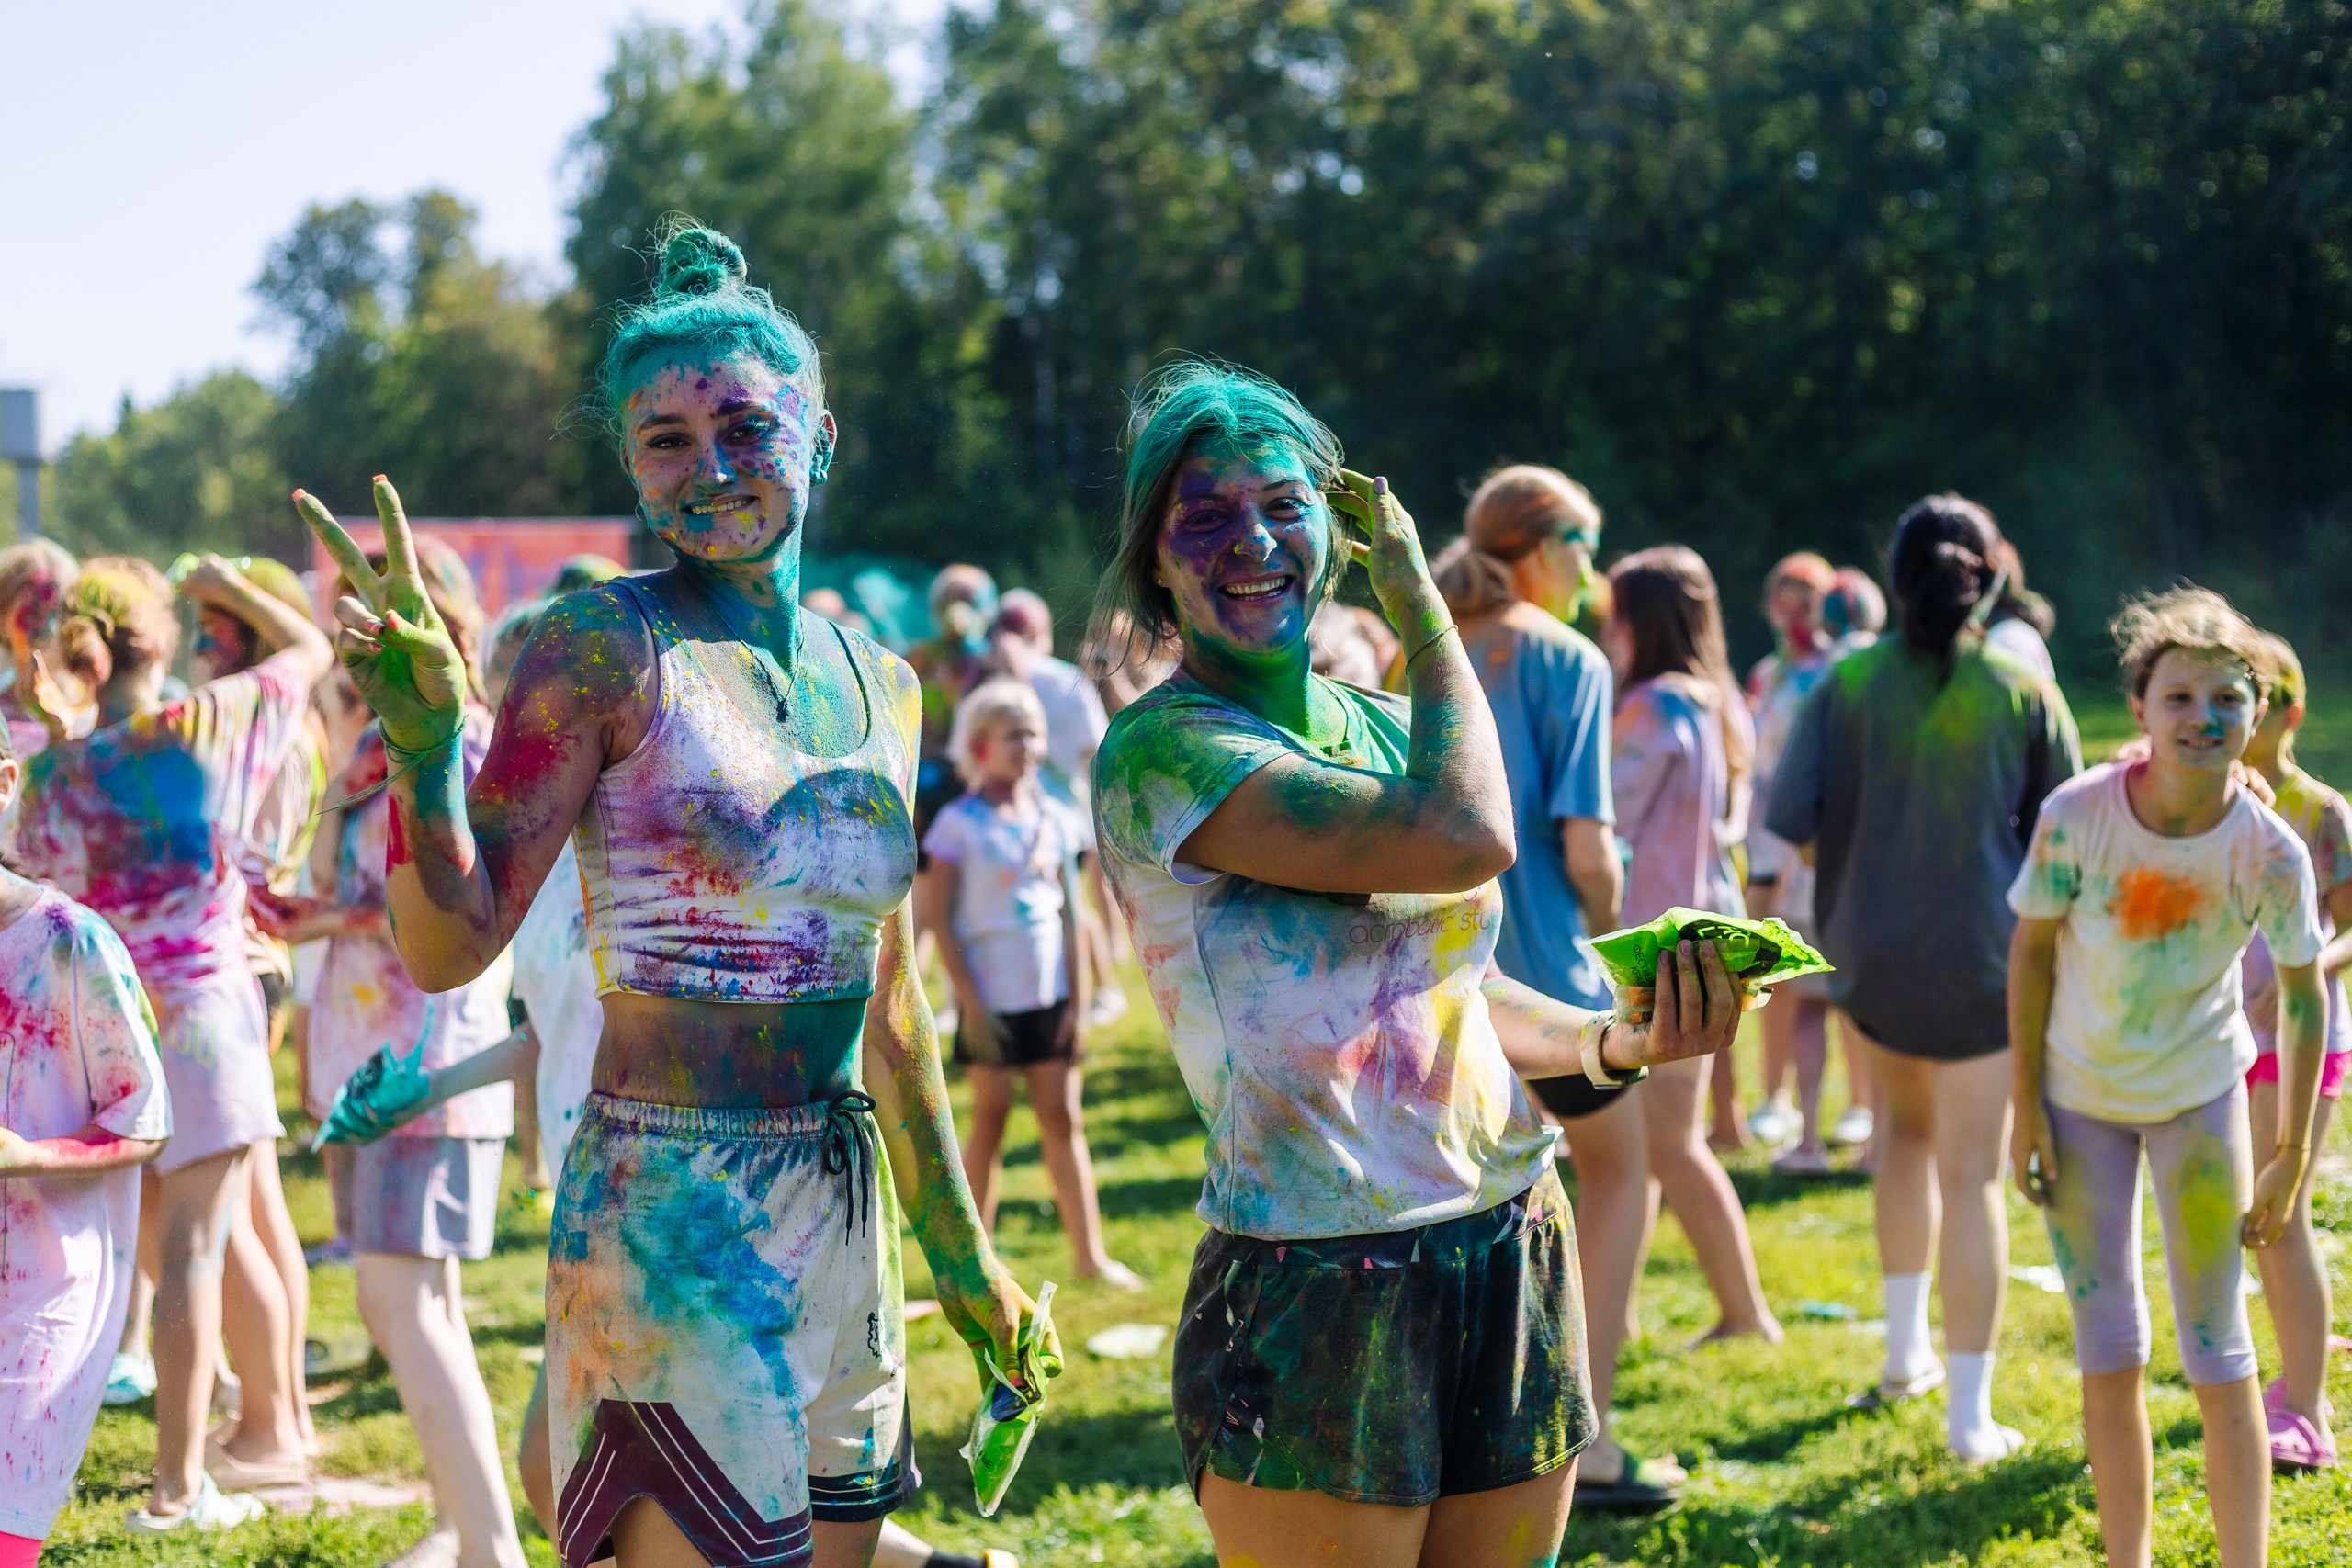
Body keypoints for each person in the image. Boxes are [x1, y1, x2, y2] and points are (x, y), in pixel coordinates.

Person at [297, 220, 1046, 1568]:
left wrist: (964, 1250)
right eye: (665, 440)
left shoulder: (887, 679)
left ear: (821, 435)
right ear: (634, 470)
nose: (711, 467)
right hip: (669, 1209)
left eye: (748, 426)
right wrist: (420, 750)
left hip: (842, 1195)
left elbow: (895, 999)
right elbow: (455, 942)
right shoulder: (602, 647)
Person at [1090, 362, 1747, 1566]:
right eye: (1208, 514)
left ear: (1327, 530)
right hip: (1316, 1276)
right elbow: (1469, 838)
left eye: (1283, 504)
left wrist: (1616, 1040)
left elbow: (1455, 995)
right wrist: (1429, 609)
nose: (1252, 540)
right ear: (1157, 563)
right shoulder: (1165, 752)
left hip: (1509, 1233)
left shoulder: (1383, 726)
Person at [2008, 587, 2323, 1568]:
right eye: (2178, 697)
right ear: (2139, 708)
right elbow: (2029, 959)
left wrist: (2287, 1155)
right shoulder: (2077, 817)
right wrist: (2026, 1112)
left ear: (2260, 711)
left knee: (2220, 1355)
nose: (2202, 718)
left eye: (2226, 698)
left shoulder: (2269, 851)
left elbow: (2307, 999)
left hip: (2201, 1103)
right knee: (2111, 1353)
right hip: (2078, 1100)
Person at [16, 554, 332, 1529]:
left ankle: (165, 1457)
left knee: (148, 1252)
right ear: (161, 636)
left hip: (115, 1030)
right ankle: (179, 1487)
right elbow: (312, 647)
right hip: (208, 1018)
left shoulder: (56, 770)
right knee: (198, 1251)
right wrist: (222, 583)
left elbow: (36, 875)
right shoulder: (213, 720)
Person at [1766, 494, 2079, 1461]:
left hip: (1872, 958)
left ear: (1893, 576)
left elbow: (1794, 820)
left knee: (1901, 1144)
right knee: (1972, 1176)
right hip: (1990, 963)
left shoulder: (1842, 683)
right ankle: (1969, 1418)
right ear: (1989, 575)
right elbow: (2065, 830)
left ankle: (1904, 1360)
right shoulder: (2020, 686)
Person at [262, 538, 526, 1568]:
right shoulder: (377, 741)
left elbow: (443, 896)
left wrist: (319, 919)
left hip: (422, 1063)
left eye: (376, 599)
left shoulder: (449, 734)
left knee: (396, 1299)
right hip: (387, 1062)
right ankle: (465, 1528)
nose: (355, 622)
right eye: (345, 604)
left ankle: (490, 1546)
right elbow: (344, 873)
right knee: (424, 1304)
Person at [1430, 463, 1679, 1512]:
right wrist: (1625, 919)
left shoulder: (1421, 649)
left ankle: (1456, 1437)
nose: (1595, 567)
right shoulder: (1565, 656)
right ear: (1531, 547)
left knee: (1464, 1221)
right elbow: (1588, 855)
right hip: (1552, 995)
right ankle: (1594, 1434)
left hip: (1436, 990)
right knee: (1622, 1179)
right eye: (1581, 541)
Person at [0, 721, 174, 1562]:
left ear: (3, 783)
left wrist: (28, 1155)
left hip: (42, 1294)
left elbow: (143, 1117)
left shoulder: (71, 941)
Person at [1600, 546, 1781, 1349]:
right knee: (1635, 1144)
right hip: (1705, 938)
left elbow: (1606, 819)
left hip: (1658, 950)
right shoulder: (1715, 703)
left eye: (1614, 613)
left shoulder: (1650, 710)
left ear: (1639, 619)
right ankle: (1620, 1311)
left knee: (1667, 1142)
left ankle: (1747, 1315)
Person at [919, 676, 1136, 1292]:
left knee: (1063, 1117)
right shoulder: (956, 827)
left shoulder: (1058, 818)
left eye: (1033, 732)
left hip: (1051, 1000)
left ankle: (1090, 1256)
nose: (1027, 744)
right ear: (979, 745)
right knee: (989, 1118)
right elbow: (944, 922)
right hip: (990, 1003)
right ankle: (972, 1262)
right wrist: (969, 1003)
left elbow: (1071, 915)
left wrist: (1077, 999)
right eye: (1012, 733)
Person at [188, 553, 330, 1460]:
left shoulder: (256, 726)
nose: (198, 652)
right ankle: (283, 1410)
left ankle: (267, 1425)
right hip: (262, 958)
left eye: (212, 634)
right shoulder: (300, 724)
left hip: (233, 961)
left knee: (233, 1213)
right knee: (263, 1201)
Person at [2233, 632, 2346, 1472]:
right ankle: (2290, 1377)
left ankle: (2307, 1407)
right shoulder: (2225, 801)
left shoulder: (2319, 808)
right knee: (2256, 1222)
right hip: (2234, 1035)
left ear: (2288, 711)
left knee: (2284, 1215)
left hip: (2304, 1035)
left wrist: (2304, 971)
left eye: (2257, 698)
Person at [1739, 552, 1837, 1166]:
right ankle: (1777, 1098)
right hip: (1771, 845)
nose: (1794, 609)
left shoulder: (1838, 669)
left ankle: (1851, 1115)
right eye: (1785, 595)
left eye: (1808, 596)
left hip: (1820, 848)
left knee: (1831, 992)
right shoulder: (1768, 675)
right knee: (1779, 982)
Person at [910, 563, 999, 852]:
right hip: (927, 765)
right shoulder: (922, 657)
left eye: (968, 602)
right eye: (952, 602)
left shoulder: (990, 661)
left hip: (976, 767)